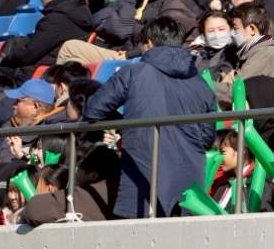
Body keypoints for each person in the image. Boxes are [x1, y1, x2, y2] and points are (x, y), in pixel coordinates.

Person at [82, 16, 217, 218]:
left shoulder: (133, 72)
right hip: (190, 188)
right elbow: (207, 138)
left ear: (149, 43)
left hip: (143, 182)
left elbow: (93, 110)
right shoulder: (201, 83)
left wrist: (124, 123)